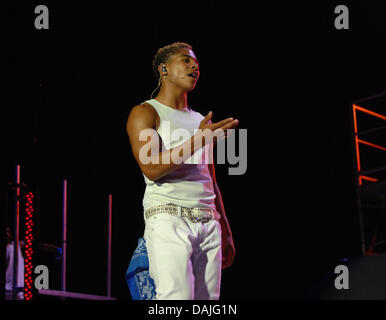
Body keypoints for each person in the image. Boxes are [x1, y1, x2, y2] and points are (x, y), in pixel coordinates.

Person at [126, 42, 238, 300]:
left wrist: (226, 232)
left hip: (209, 222)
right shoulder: (145, 112)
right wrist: (199, 140)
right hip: (169, 217)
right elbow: (151, 168)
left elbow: (209, 179)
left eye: (196, 62)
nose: (195, 66)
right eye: (185, 60)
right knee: (176, 299)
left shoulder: (200, 120)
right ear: (163, 69)